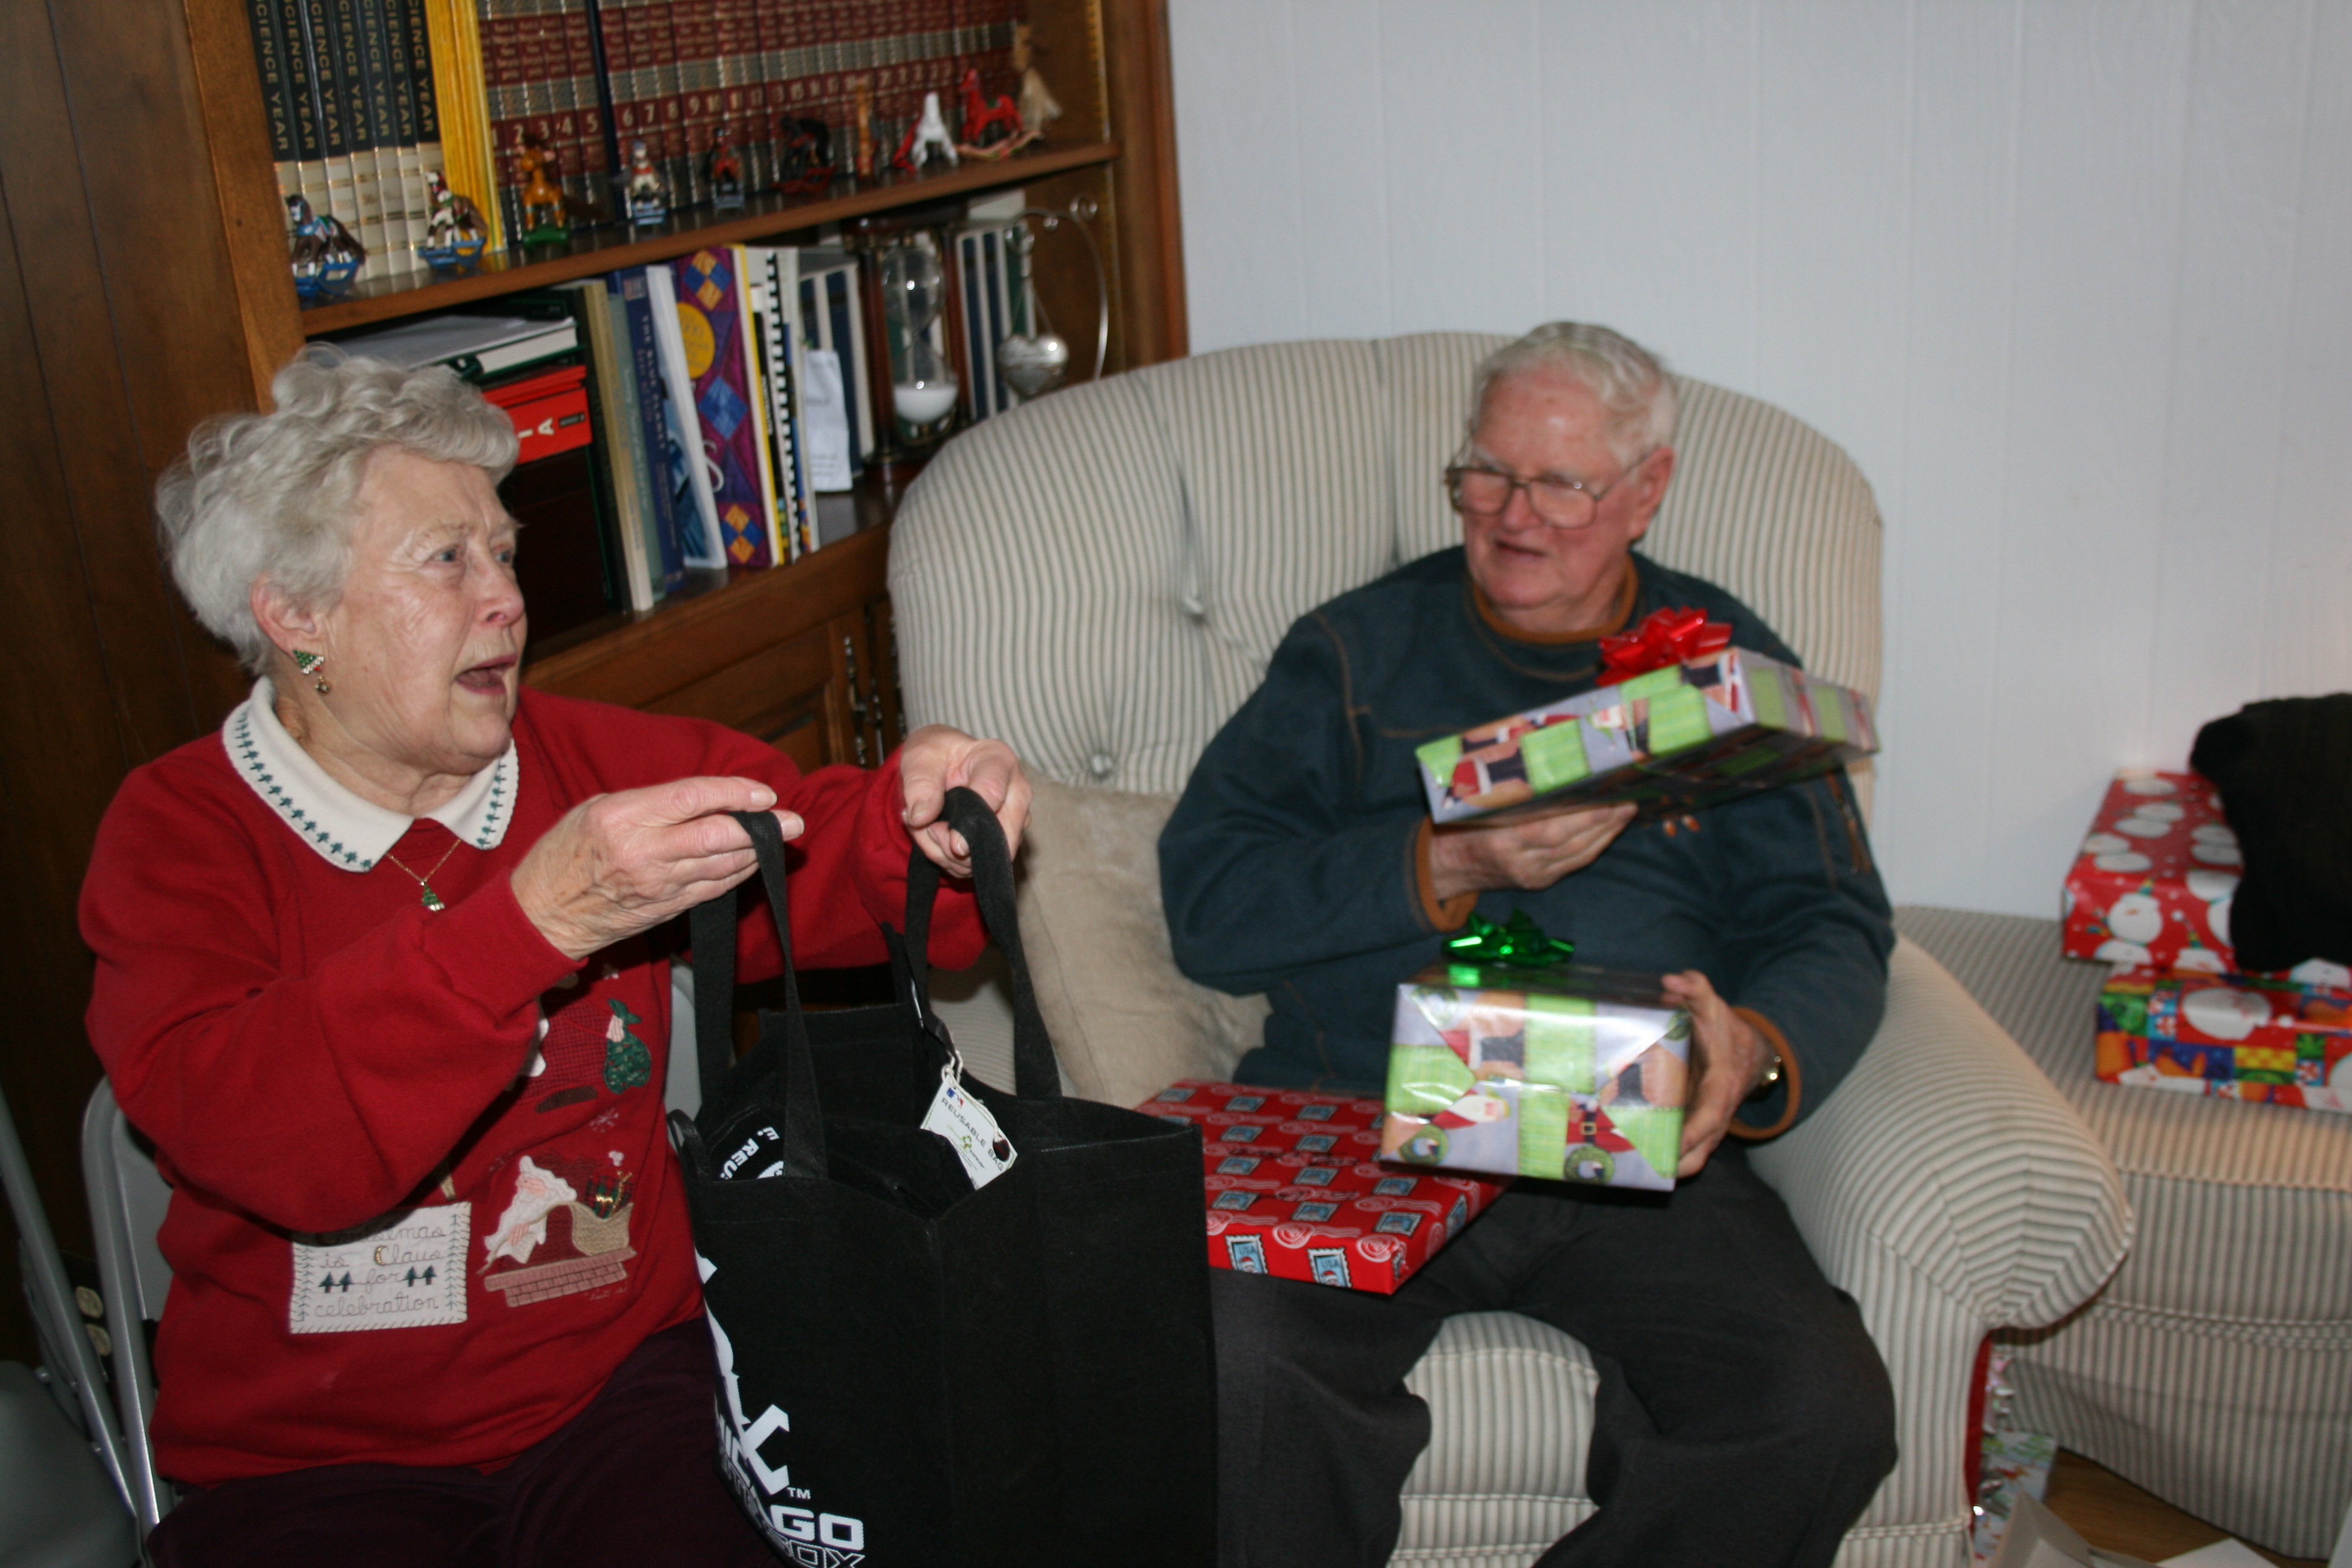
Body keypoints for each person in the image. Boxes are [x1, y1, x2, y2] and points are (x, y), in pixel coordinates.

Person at [79, 352, 1031, 1567]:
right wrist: (536, 921)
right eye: (447, 559)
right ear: (296, 617)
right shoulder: (180, 834)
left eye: (505, 552)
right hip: (311, 1458)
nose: (507, 600)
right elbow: (267, 1136)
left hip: (626, 1395)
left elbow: (810, 851)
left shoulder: (592, 765)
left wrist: (924, 822)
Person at [1160, 322, 1898, 1568]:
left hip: (1637, 1130)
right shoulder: (1353, 650)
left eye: (1562, 484)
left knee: (1817, 1412)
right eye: (1487, 475)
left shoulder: (1724, 672)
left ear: (1648, 490)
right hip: (1363, 1116)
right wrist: (1445, 861)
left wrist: (1755, 1052)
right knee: (1242, 1363)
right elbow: (1208, 904)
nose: (1513, 516)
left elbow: (1832, 921)